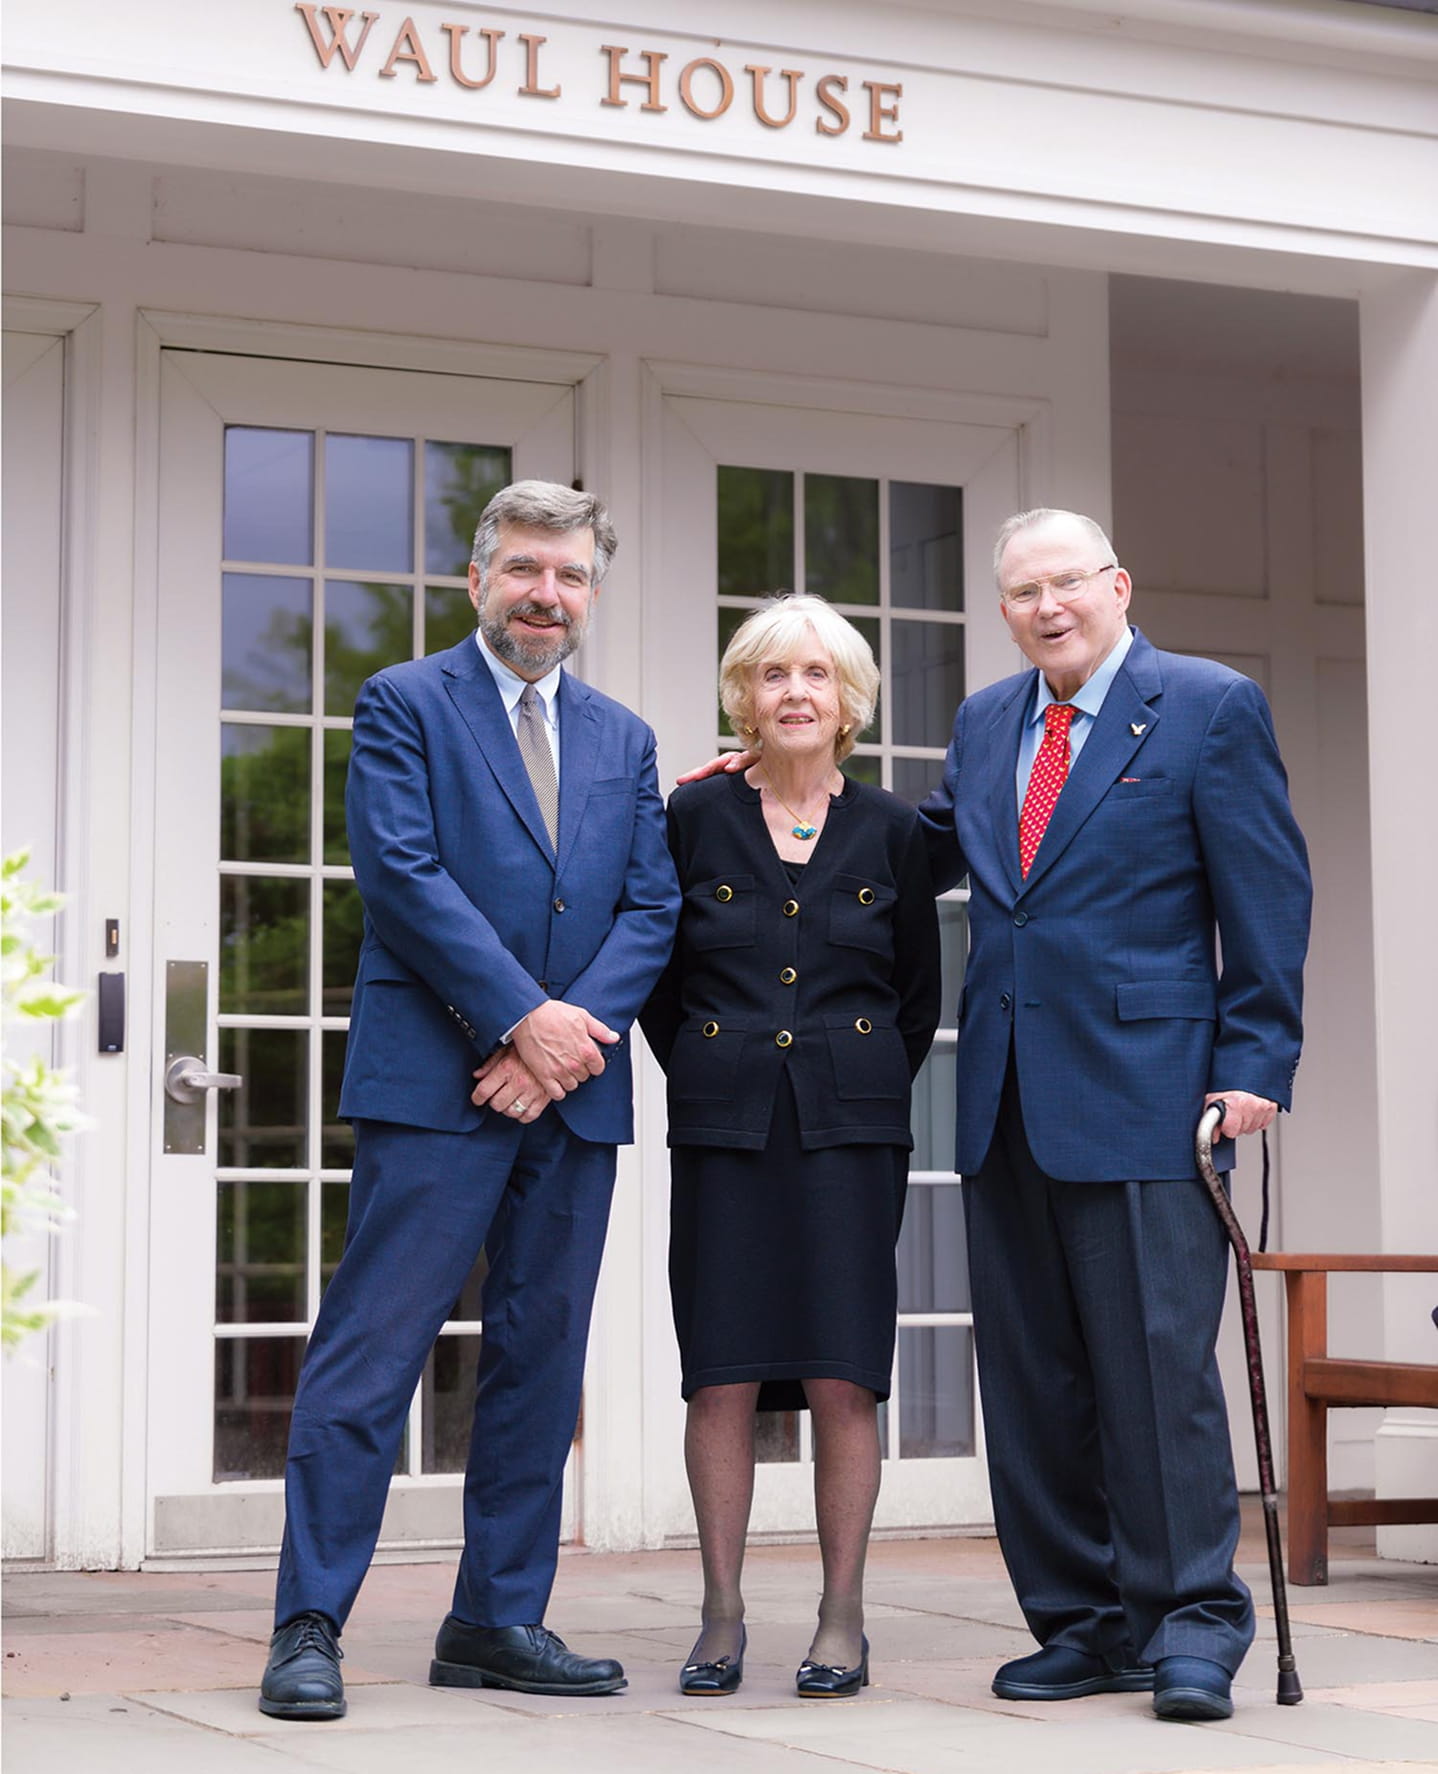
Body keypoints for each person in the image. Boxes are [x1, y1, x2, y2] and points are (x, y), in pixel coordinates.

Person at [682, 509, 1311, 1724]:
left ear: (1116, 583)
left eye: (1065, 584)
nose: (1045, 608)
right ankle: (1078, 1622)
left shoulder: (1205, 705)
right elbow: (927, 845)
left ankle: (1188, 1621)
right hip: (1006, 1094)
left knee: (1151, 1370)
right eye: (1021, 593)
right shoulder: (990, 719)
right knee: (1032, 1377)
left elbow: (1267, 893)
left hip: (1149, 1089)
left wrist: (1257, 1060)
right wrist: (777, 779)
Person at [259, 481, 680, 1720]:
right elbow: (402, 876)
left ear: (591, 592)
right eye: (526, 571)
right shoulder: (404, 704)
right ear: (479, 580)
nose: (547, 595)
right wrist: (518, 1022)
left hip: (574, 1097)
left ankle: (497, 1618)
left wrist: (561, 1046)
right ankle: (307, 1623)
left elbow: (650, 905)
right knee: (369, 1356)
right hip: (435, 1086)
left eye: (571, 576)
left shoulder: (624, 737)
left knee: (540, 1364)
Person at [642, 594, 940, 1700]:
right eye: (772, 675)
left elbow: (917, 997)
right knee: (717, 1369)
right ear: (744, 697)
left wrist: (838, 1077)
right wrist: (727, 1069)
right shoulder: (691, 818)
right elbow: (659, 988)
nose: (796, 692)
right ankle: (720, 1615)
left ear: (850, 698)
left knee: (841, 1371)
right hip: (722, 1126)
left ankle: (840, 1617)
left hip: (850, 1131)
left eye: (817, 674)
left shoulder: (896, 831)